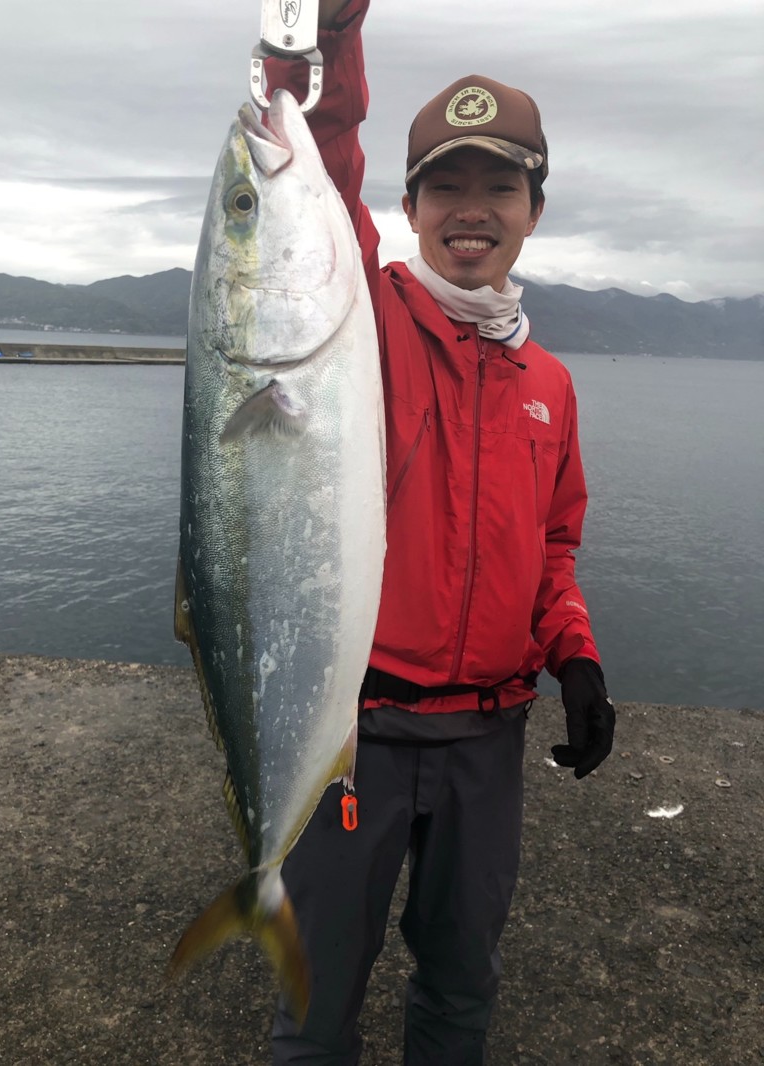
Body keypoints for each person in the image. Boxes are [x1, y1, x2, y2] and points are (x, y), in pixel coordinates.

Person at [266, 2, 615, 1062]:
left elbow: (551, 549)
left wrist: (575, 654)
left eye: (498, 187)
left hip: (486, 743)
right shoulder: (360, 323)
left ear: (533, 210)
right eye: (444, 186)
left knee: (462, 986)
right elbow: (317, 168)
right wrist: (330, 39)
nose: (471, 211)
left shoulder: (548, 382)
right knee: (316, 1002)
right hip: (354, 738)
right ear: (408, 207)